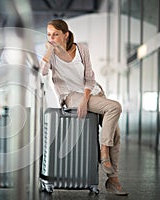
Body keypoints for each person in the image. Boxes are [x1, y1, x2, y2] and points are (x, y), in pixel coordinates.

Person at [40, 19, 128, 196]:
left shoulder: (81, 49)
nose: (52, 38)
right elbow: (41, 72)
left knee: (116, 134)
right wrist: (49, 50)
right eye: (49, 35)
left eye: (55, 34)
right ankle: (104, 154)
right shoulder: (51, 55)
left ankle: (112, 179)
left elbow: (89, 78)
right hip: (71, 96)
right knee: (115, 107)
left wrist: (85, 99)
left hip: (92, 93)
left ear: (65, 34)